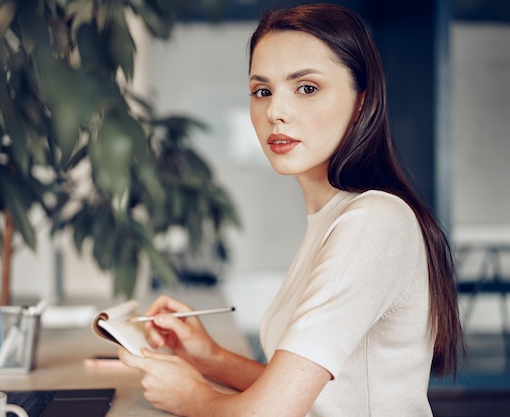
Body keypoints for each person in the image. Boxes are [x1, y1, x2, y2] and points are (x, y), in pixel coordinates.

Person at [118, 4, 464, 416]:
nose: (275, 112)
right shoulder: (335, 218)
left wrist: (192, 396)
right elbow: (314, 397)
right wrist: (209, 357)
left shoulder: (374, 222)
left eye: (306, 88)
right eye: (262, 91)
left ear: (361, 102)